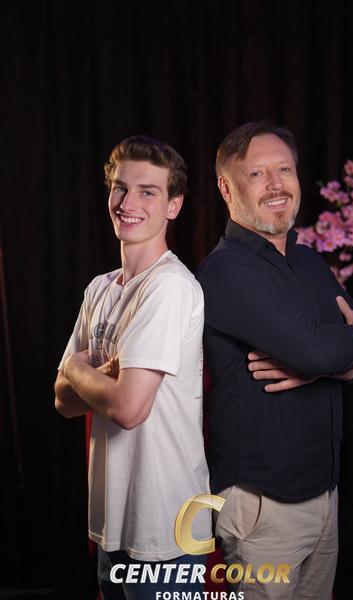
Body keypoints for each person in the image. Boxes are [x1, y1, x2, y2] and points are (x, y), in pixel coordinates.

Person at [196, 120, 353, 600]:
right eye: (257, 173)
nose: (276, 184)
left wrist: (333, 363)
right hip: (263, 505)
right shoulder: (225, 272)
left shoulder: (309, 262)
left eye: (284, 169)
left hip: (325, 494)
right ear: (226, 188)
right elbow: (328, 346)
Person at [55, 135, 211, 599]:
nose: (128, 203)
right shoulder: (99, 289)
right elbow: (62, 402)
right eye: (120, 188)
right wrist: (96, 377)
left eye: (148, 191)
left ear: (173, 206)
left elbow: (128, 408)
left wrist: (78, 369)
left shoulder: (169, 287)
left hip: (166, 529)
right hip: (114, 523)